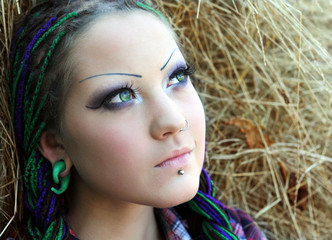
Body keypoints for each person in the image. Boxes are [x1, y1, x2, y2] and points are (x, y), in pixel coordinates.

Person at [6, 0, 266, 239]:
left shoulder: (237, 231)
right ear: (56, 145)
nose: (174, 120)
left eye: (177, 78)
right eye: (121, 97)